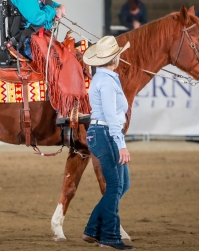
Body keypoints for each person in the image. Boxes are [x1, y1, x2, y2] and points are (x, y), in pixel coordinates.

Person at [81, 36, 133, 250]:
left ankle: (93, 229)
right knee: (115, 185)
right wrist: (121, 143)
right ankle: (109, 237)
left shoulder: (105, 78)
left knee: (122, 184)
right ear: (115, 58)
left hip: (102, 133)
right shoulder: (107, 81)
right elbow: (112, 116)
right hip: (106, 133)